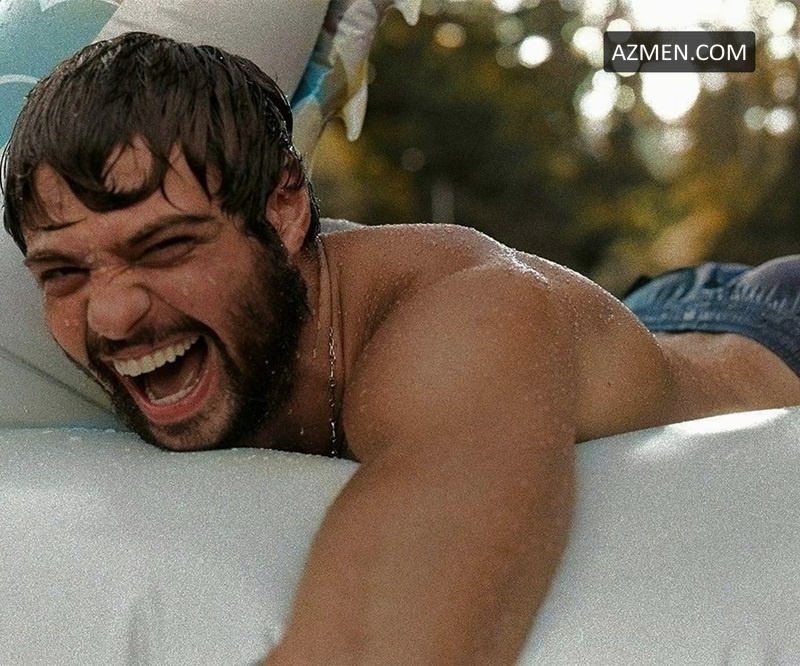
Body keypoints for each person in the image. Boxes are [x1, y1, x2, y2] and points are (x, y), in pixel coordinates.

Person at [3, 31, 799, 665]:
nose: (112, 315)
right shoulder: (212, 331)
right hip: (643, 315)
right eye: (65, 272)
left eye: (166, 248)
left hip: (767, 325)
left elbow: (378, 650)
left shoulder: (467, 323)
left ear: (283, 210)